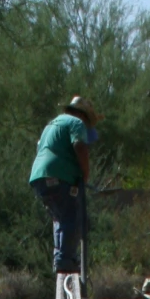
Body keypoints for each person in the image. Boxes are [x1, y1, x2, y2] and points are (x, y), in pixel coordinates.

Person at [29, 95, 98, 275]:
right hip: (59, 176)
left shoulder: (51, 124)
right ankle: (65, 261)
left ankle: (60, 258)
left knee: (58, 218)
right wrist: (85, 174)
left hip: (39, 177)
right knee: (71, 216)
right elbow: (80, 147)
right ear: (82, 114)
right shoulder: (76, 123)